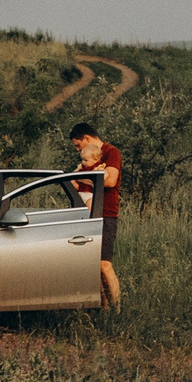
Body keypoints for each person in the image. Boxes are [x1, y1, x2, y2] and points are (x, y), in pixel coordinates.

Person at [69, 122, 123, 306]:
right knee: (94, 266)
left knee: (104, 264)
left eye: (78, 145)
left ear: (86, 138)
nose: (79, 151)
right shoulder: (86, 162)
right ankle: (105, 307)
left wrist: (83, 178)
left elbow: (109, 181)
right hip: (89, 212)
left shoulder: (110, 152)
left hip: (106, 212)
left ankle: (117, 306)